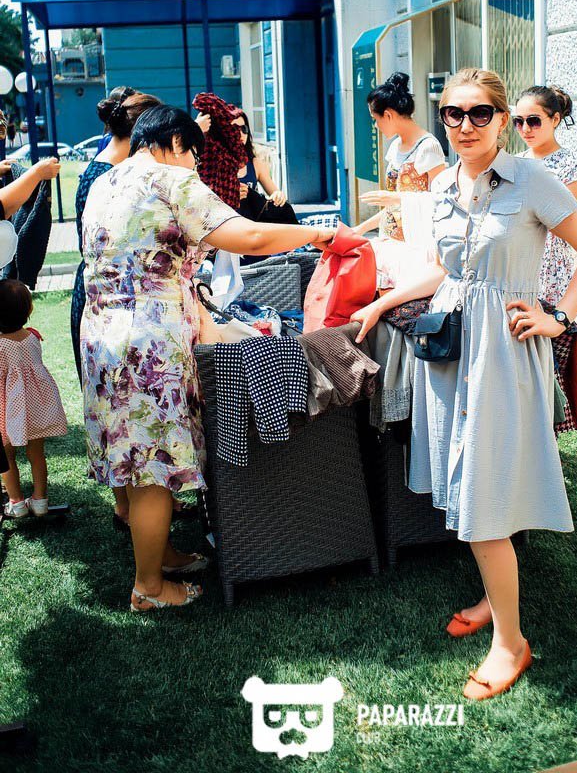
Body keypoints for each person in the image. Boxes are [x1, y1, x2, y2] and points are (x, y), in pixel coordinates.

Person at [351, 68, 577, 700]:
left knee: (483, 490)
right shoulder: (443, 184)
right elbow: (445, 271)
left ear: (500, 120)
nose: (465, 125)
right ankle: (497, 599)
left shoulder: (532, 179)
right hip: (451, 353)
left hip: (503, 354)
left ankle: (511, 643)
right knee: (473, 485)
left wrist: (559, 318)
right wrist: (382, 303)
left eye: (479, 114)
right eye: (453, 114)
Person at [80, 105, 335, 613]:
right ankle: (149, 588)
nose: (196, 166)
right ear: (175, 143)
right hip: (149, 341)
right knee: (154, 468)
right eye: (194, 155)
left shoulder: (106, 181)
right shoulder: (171, 180)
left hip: (102, 333)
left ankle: (162, 556)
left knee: (137, 457)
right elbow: (250, 235)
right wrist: (315, 233)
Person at [70, 86, 162, 533]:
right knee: (118, 412)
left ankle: (140, 504)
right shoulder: (108, 175)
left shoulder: (106, 167)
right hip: (107, 297)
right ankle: (128, 506)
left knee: (118, 411)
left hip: (106, 296)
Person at [0, 279, 67, 518]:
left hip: (8, 408)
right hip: (36, 406)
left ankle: (16, 502)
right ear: (29, 309)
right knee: (37, 454)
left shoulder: (0, 346)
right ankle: (40, 500)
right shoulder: (33, 337)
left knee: (6, 456)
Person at [514, 85, 577, 306]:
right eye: (519, 122)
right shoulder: (516, 162)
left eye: (534, 121)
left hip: (549, 268)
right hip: (515, 261)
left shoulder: (567, 166)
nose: (525, 129)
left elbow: (568, 226)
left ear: (555, 119)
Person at [354, 72, 446, 241]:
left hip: (417, 243)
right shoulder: (395, 146)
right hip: (389, 240)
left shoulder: (428, 147)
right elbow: (393, 207)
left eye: (375, 119)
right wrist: (360, 229)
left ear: (388, 115)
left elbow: (441, 200)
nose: (376, 125)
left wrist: (394, 197)